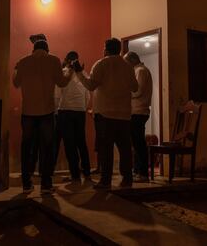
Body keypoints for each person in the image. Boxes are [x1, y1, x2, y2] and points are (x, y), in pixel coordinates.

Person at [75, 38, 138, 189]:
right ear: (119, 50)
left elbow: (91, 86)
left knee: (106, 148)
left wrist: (79, 73)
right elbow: (135, 87)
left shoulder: (101, 64)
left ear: (106, 49)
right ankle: (127, 179)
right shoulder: (128, 66)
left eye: (104, 47)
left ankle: (106, 181)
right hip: (124, 114)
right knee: (125, 149)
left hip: (105, 113)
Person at [13, 39, 72, 194]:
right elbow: (62, 83)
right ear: (47, 48)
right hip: (46, 112)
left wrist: (15, 69)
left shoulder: (23, 62)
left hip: (28, 112)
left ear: (33, 49)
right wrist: (70, 71)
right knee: (47, 148)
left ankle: (26, 183)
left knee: (26, 147)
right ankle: (46, 184)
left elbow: (16, 83)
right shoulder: (54, 60)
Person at [55, 51, 91, 182]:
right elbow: (88, 96)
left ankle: (75, 175)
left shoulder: (64, 73)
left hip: (65, 111)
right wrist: (83, 107)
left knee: (70, 144)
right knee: (81, 142)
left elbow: (57, 95)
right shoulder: (84, 74)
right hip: (80, 111)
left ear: (66, 60)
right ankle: (87, 172)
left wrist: (57, 110)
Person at [124, 51, 153, 182]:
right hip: (136, 111)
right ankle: (137, 171)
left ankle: (143, 173)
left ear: (133, 60)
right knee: (136, 142)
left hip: (138, 111)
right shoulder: (139, 70)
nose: (125, 65)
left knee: (139, 142)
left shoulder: (140, 71)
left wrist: (124, 93)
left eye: (126, 62)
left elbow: (138, 91)